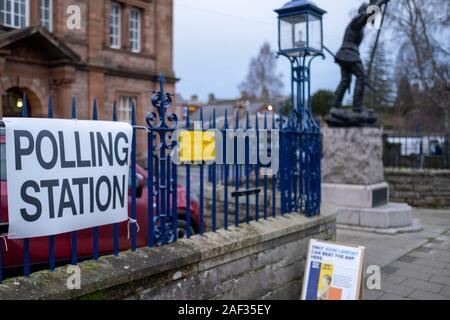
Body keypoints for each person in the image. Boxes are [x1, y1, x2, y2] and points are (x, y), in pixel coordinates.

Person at [327, 0, 391, 126]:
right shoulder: (356, 21)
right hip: (349, 54)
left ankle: (335, 105)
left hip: (346, 55)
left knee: (345, 81)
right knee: (361, 77)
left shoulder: (358, 25)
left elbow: (368, 18)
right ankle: (357, 107)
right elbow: (367, 15)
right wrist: (380, 3)